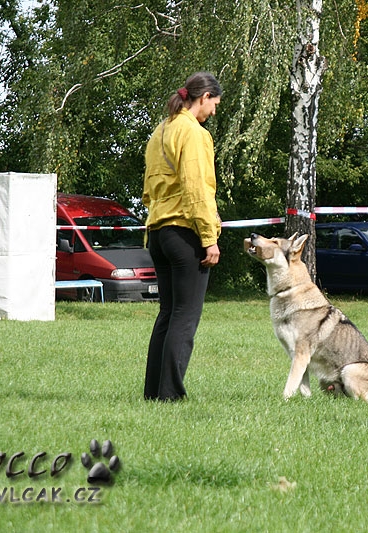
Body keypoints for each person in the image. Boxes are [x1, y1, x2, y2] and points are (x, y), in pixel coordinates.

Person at [142, 71, 223, 402]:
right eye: (214, 104)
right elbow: (195, 188)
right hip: (185, 232)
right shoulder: (193, 133)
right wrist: (209, 237)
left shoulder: (160, 131)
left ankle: (154, 392)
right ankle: (171, 394)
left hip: (158, 232)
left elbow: (149, 189)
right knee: (185, 316)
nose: (214, 112)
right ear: (203, 98)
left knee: (168, 312)